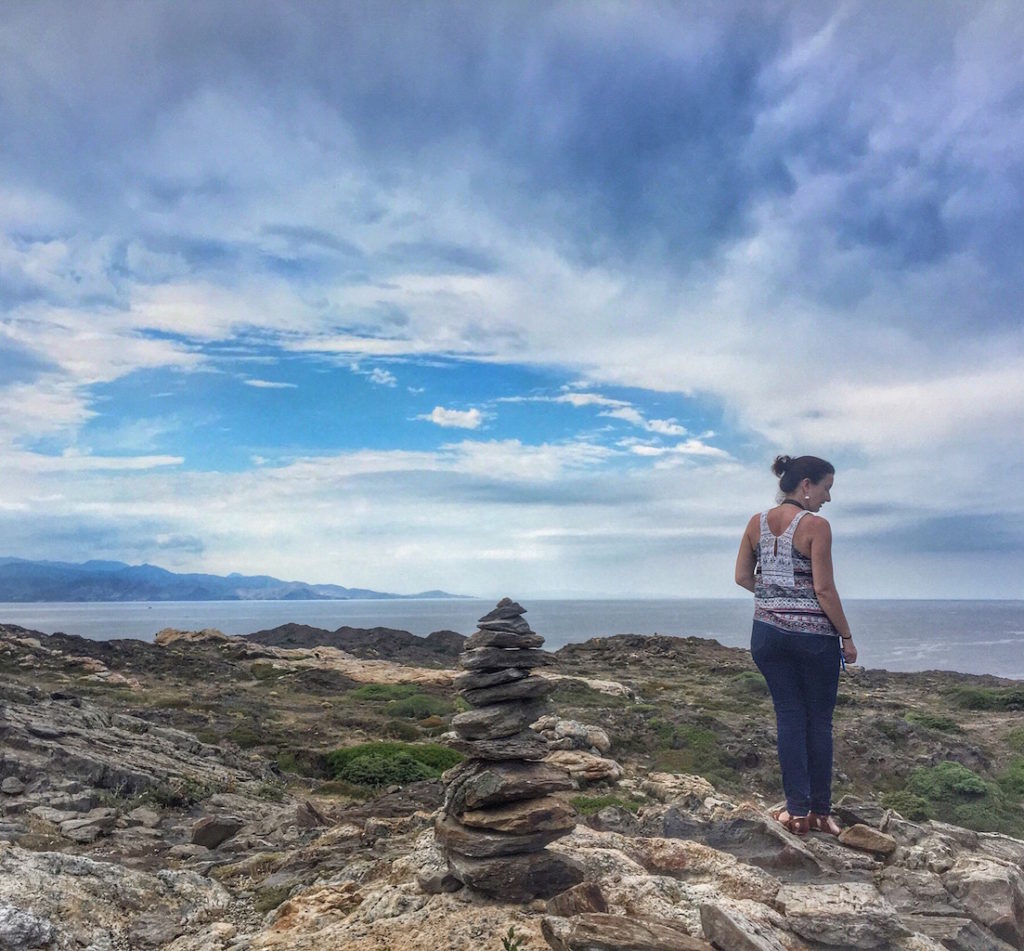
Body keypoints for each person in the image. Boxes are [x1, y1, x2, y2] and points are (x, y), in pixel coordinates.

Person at [734, 454, 857, 836]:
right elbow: (823, 589)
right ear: (806, 485)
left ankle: (796, 812)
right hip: (813, 640)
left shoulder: (756, 524)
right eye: (826, 488)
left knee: (789, 717)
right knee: (818, 723)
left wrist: (773, 595)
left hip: (767, 636)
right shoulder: (817, 526)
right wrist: (848, 638)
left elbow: (741, 577)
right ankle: (820, 812)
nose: (827, 498)